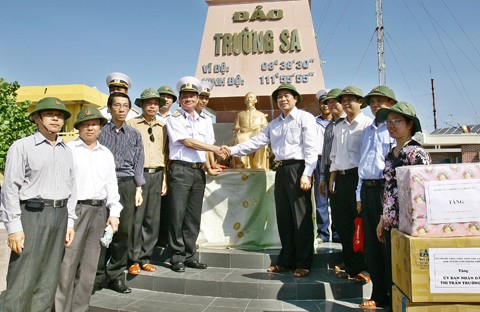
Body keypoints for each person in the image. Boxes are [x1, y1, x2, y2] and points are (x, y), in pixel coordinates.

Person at [222, 83, 318, 278]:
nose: (283, 99)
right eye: (279, 96)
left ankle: (303, 263)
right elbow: (255, 142)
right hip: (281, 170)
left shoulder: (304, 118)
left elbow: (311, 148)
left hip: (299, 169)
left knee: (301, 217)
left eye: (287, 96)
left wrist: (307, 173)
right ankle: (286, 261)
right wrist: (231, 150)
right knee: (284, 217)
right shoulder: (274, 124)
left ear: (295, 98)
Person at [0, 97, 76, 311]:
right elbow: (10, 188)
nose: (56, 118)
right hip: (33, 214)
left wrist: (70, 221)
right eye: (50, 114)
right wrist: (14, 228)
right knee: (23, 276)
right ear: (36, 118)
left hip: (60, 215)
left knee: (49, 278)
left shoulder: (66, 150)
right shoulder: (22, 147)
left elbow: (72, 187)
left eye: (60, 115)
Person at [55, 107, 122, 312]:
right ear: (77, 128)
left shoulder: (106, 154)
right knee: (67, 264)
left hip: (99, 212)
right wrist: (68, 217)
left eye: (94, 124)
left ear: (101, 127)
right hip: (76, 210)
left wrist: (115, 213)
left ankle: (80, 308)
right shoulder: (68, 150)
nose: (90, 128)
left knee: (89, 267)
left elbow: (111, 185)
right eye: (85, 124)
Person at [376, 102, 431, 308]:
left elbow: (423, 192)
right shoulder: (390, 154)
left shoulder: (416, 153)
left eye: (396, 121)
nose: (391, 125)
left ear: (410, 124)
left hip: (410, 227)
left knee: (409, 275)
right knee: (393, 272)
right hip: (392, 225)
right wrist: (383, 220)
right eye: (388, 122)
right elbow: (388, 190)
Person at [166, 76, 223, 272]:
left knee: (193, 215)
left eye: (192, 96)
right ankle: (176, 256)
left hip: (198, 171)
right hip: (180, 169)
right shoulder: (173, 119)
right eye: (184, 96)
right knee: (177, 215)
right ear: (180, 99)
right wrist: (215, 148)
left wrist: (209, 166)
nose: (188, 99)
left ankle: (190, 254)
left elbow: (206, 150)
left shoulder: (206, 120)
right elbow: (188, 142)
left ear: (198, 98)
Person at [96, 92, 145, 293]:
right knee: (99, 230)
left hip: (126, 184)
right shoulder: (99, 132)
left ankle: (116, 274)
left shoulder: (134, 134)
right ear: (109, 108)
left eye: (125, 105)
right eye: (117, 105)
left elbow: (139, 162)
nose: (121, 109)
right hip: (102, 185)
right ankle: (97, 275)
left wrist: (138, 188)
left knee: (123, 232)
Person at [356, 86, 397, 309]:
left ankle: (392, 295)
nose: (375, 105)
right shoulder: (367, 131)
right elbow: (363, 163)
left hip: (385, 189)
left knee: (386, 245)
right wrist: (358, 195)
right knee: (371, 246)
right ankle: (378, 295)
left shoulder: (392, 131)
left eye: (380, 101)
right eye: (372, 102)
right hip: (367, 189)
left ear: (391, 103)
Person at [328, 86, 372, 284]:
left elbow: (366, 157)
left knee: (359, 223)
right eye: (343, 101)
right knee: (342, 222)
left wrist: (360, 189)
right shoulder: (339, 126)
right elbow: (334, 156)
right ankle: (350, 263)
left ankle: (363, 266)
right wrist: (331, 180)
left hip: (358, 178)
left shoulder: (367, 125)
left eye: (350, 100)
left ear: (360, 101)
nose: (346, 104)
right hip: (341, 179)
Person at [127, 88, 168, 274]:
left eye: (155, 103)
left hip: (158, 174)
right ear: (142, 105)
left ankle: (145, 257)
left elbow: (165, 153)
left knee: (153, 219)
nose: (152, 106)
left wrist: (165, 179)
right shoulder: (132, 124)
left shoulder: (163, 126)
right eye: (148, 103)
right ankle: (133, 259)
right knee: (137, 218)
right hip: (139, 174)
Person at [318, 89, 344, 248]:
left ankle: (339, 236)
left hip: (342, 171)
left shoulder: (347, 123)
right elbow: (324, 152)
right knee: (329, 205)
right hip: (327, 170)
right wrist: (322, 176)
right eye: (328, 102)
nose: (331, 105)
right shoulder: (329, 126)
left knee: (341, 208)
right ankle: (325, 235)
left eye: (335, 101)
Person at [313, 89, 332, 243]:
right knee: (321, 199)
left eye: (328, 102)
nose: (325, 106)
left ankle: (338, 234)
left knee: (337, 199)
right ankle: (323, 234)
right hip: (319, 162)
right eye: (322, 103)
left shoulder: (340, 121)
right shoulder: (313, 121)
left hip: (336, 162)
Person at [232, 92, 269, 169]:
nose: (249, 99)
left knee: (260, 138)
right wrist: (240, 129)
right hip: (244, 134)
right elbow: (235, 127)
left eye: (251, 97)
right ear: (245, 101)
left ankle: (257, 164)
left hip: (256, 133)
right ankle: (242, 164)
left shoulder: (261, 114)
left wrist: (259, 129)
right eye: (247, 98)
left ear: (256, 100)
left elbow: (266, 127)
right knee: (239, 138)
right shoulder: (240, 114)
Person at [195, 81, 223, 173]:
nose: (204, 101)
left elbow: (209, 145)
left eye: (206, 98)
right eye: (201, 98)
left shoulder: (207, 119)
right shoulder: (184, 116)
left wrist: (212, 164)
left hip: (201, 166)